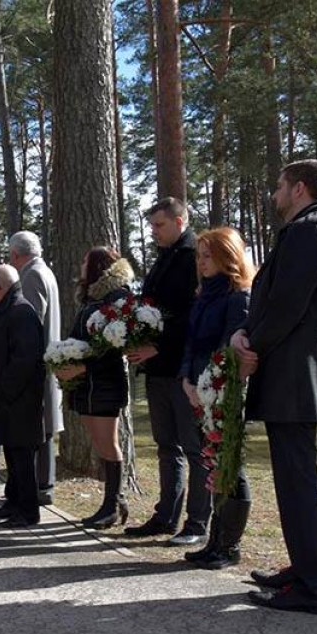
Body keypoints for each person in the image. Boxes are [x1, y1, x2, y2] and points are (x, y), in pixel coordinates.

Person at [233, 159, 317, 616]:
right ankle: (304, 570)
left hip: (293, 375)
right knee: (295, 481)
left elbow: (286, 303)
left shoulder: (307, 230)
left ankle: (315, 587)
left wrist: (249, 345)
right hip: (299, 375)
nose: (274, 194)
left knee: (298, 483)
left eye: (279, 186)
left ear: (299, 189)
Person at [125, 197, 207, 546]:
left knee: (193, 447)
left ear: (179, 220)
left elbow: (191, 315)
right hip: (157, 367)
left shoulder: (194, 257)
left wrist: (158, 346)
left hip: (181, 367)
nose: (153, 232)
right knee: (165, 446)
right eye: (151, 226)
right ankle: (166, 515)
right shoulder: (164, 257)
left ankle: (198, 522)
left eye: (159, 225)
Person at [178, 228, 253, 569]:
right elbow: (191, 342)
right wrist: (186, 380)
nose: (202, 262)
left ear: (227, 255)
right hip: (197, 388)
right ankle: (215, 541)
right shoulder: (203, 295)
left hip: (223, 393)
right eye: (199, 256)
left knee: (229, 466)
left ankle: (229, 545)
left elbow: (227, 349)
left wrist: (207, 386)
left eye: (208, 256)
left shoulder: (238, 297)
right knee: (212, 464)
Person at [46, 249, 134, 529]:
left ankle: (113, 504)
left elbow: (112, 348)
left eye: (85, 261)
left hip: (104, 383)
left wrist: (82, 368)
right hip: (88, 385)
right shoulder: (91, 299)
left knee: (108, 444)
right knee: (100, 445)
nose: (81, 265)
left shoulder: (116, 298)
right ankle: (111, 502)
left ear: (97, 266)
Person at [0, 264, 46, 526]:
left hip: (19, 399)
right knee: (12, 453)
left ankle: (29, 511)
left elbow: (25, 359)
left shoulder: (21, 312)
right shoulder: (6, 309)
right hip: (7, 399)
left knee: (21, 457)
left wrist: (3, 387)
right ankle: (13, 501)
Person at [10, 231, 64, 506]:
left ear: (16, 255)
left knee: (37, 430)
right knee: (43, 430)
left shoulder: (31, 275)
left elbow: (28, 324)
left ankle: (40, 486)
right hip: (45, 361)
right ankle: (43, 485)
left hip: (35, 366)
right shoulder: (46, 271)